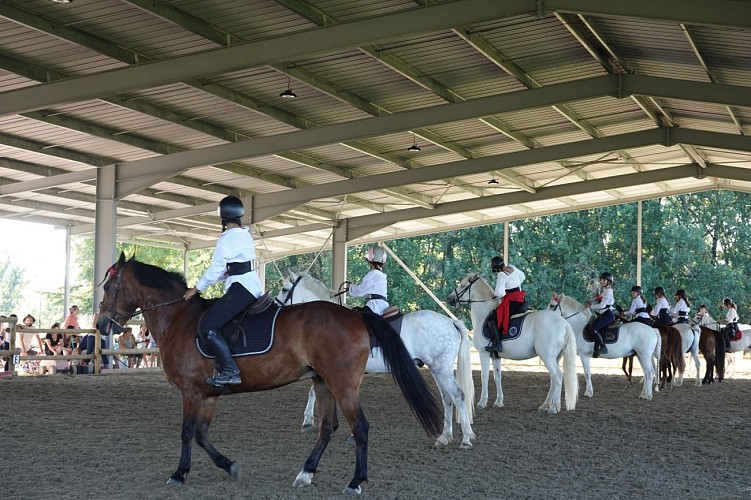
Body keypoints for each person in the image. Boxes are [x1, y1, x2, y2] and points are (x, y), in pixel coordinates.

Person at [183, 195, 262, 388]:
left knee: (207, 326)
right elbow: (230, 270)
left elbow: (216, 270)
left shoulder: (225, 240)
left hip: (241, 288)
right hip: (252, 283)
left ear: (223, 219)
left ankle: (230, 370)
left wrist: (196, 288)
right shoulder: (246, 234)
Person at [485, 256, 526, 354]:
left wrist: (496, 294)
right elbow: (523, 276)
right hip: (520, 297)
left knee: (492, 318)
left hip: (511, 300)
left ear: (495, 267)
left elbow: (499, 293)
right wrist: (513, 285)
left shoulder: (501, 275)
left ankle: (497, 345)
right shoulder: (512, 267)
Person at [348, 246, 389, 315]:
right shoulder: (383, 276)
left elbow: (360, 290)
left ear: (369, 261)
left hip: (374, 306)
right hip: (384, 305)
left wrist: (350, 287)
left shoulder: (371, 275)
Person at [585, 272, 615, 357]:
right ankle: (596, 350)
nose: (601, 281)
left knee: (593, 328)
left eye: (604, 280)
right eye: (601, 280)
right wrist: (594, 300)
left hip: (607, 315)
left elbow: (602, 305)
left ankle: (603, 347)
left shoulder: (608, 292)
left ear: (608, 282)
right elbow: (600, 301)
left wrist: (591, 306)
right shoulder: (605, 291)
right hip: (603, 314)